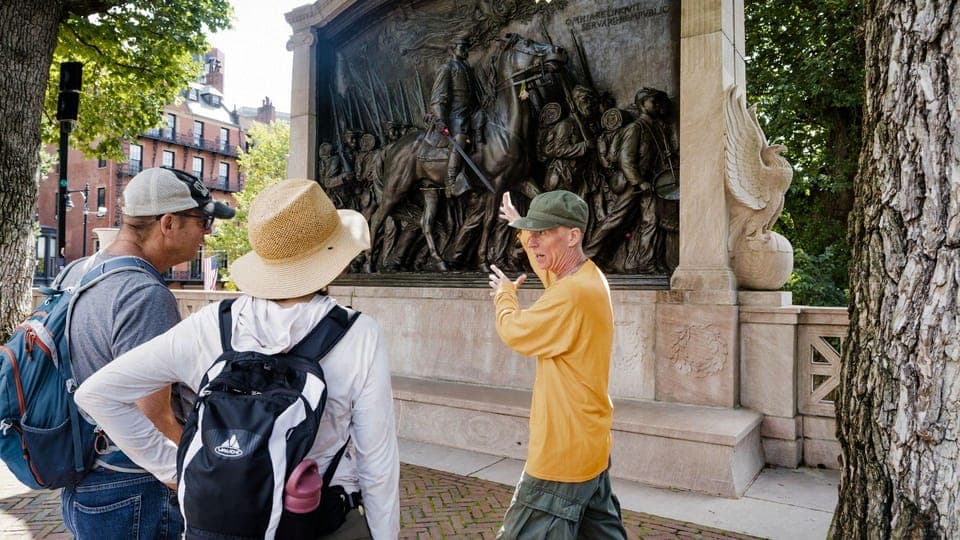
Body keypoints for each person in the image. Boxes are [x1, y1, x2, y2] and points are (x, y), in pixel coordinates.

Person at [75, 178, 401, 539]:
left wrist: (173, 468)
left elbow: (96, 394)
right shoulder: (358, 334)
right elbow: (378, 462)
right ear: (332, 256)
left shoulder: (211, 325)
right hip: (316, 517)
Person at [58, 167, 236, 539]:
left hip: (84, 481)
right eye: (202, 220)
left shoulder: (77, 272)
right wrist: (199, 484)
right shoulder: (145, 295)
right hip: (135, 489)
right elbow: (155, 415)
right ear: (168, 223)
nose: (208, 232)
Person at [487, 190, 627, 539]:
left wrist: (505, 295)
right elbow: (548, 269)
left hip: (561, 454)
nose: (533, 243)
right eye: (531, 234)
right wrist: (521, 225)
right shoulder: (585, 276)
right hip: (589, 443)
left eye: (543, 232)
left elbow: (515, 331)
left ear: (573, 235)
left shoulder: (572, 294)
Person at [430, 34, 482, 193]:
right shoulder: (447, 68)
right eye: (462, 47)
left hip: (472, 111)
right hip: (455, 115)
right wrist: (440, 119)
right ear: (453, 49)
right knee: (460, 137)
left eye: (467, 48)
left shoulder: (468, 69)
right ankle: (451, 180)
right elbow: (437, 97)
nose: (466, 51)